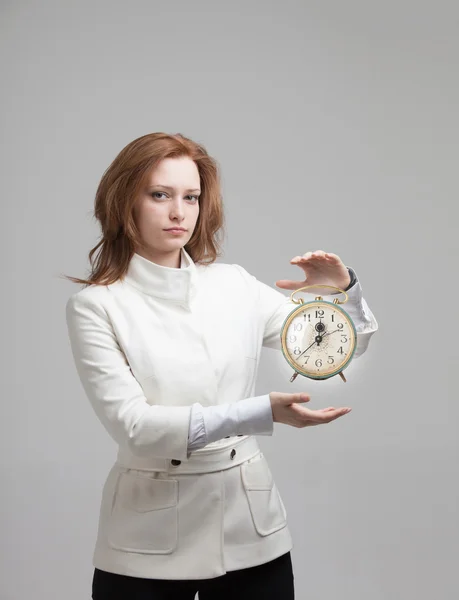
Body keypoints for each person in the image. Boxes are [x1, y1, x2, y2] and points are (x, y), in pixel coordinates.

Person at [64, 132, 379, 599]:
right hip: (145, 537)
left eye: (190, 197)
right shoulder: (96, 306)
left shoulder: (233, 284)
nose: (179, 212)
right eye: (159, 195)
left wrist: (342, 293)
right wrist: (259, 412)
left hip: (249, 528)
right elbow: (135, 427)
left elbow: (329, 353)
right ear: (123, 201)